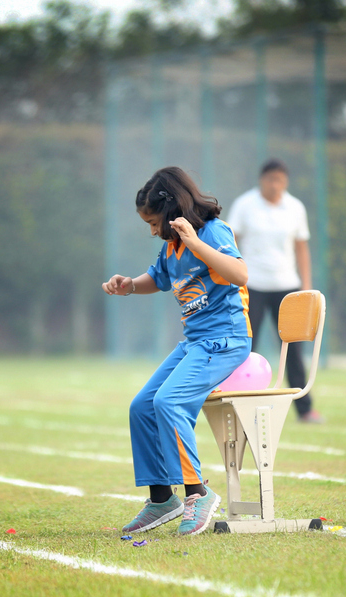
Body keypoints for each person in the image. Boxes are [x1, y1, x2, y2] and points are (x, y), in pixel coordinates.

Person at [102, 167, 251, 536]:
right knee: (142, 406)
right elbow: (160, 277)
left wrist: (196, 243)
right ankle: (161, 499)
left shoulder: (212, 231)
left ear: (172, 211)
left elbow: (240, 275)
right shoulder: (171, 245)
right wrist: (130, 286)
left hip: (226, 340)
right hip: (195, 343)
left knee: (168, 403)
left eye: (154, 222)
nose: (152, 230)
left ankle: (197, 493)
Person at [226, 159, 323, 424]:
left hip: (287, 288)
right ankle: (238, 406)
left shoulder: (294, 207)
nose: (275, 184)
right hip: (252, 285)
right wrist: (234, 278)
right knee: (246, 347)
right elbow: (231, 241)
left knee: (293, 352)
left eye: (280, 179)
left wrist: (306, 284)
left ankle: (305, 410)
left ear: (286, 181)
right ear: (262, 180)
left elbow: (301, 247)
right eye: (270, 179)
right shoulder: (245, 205)